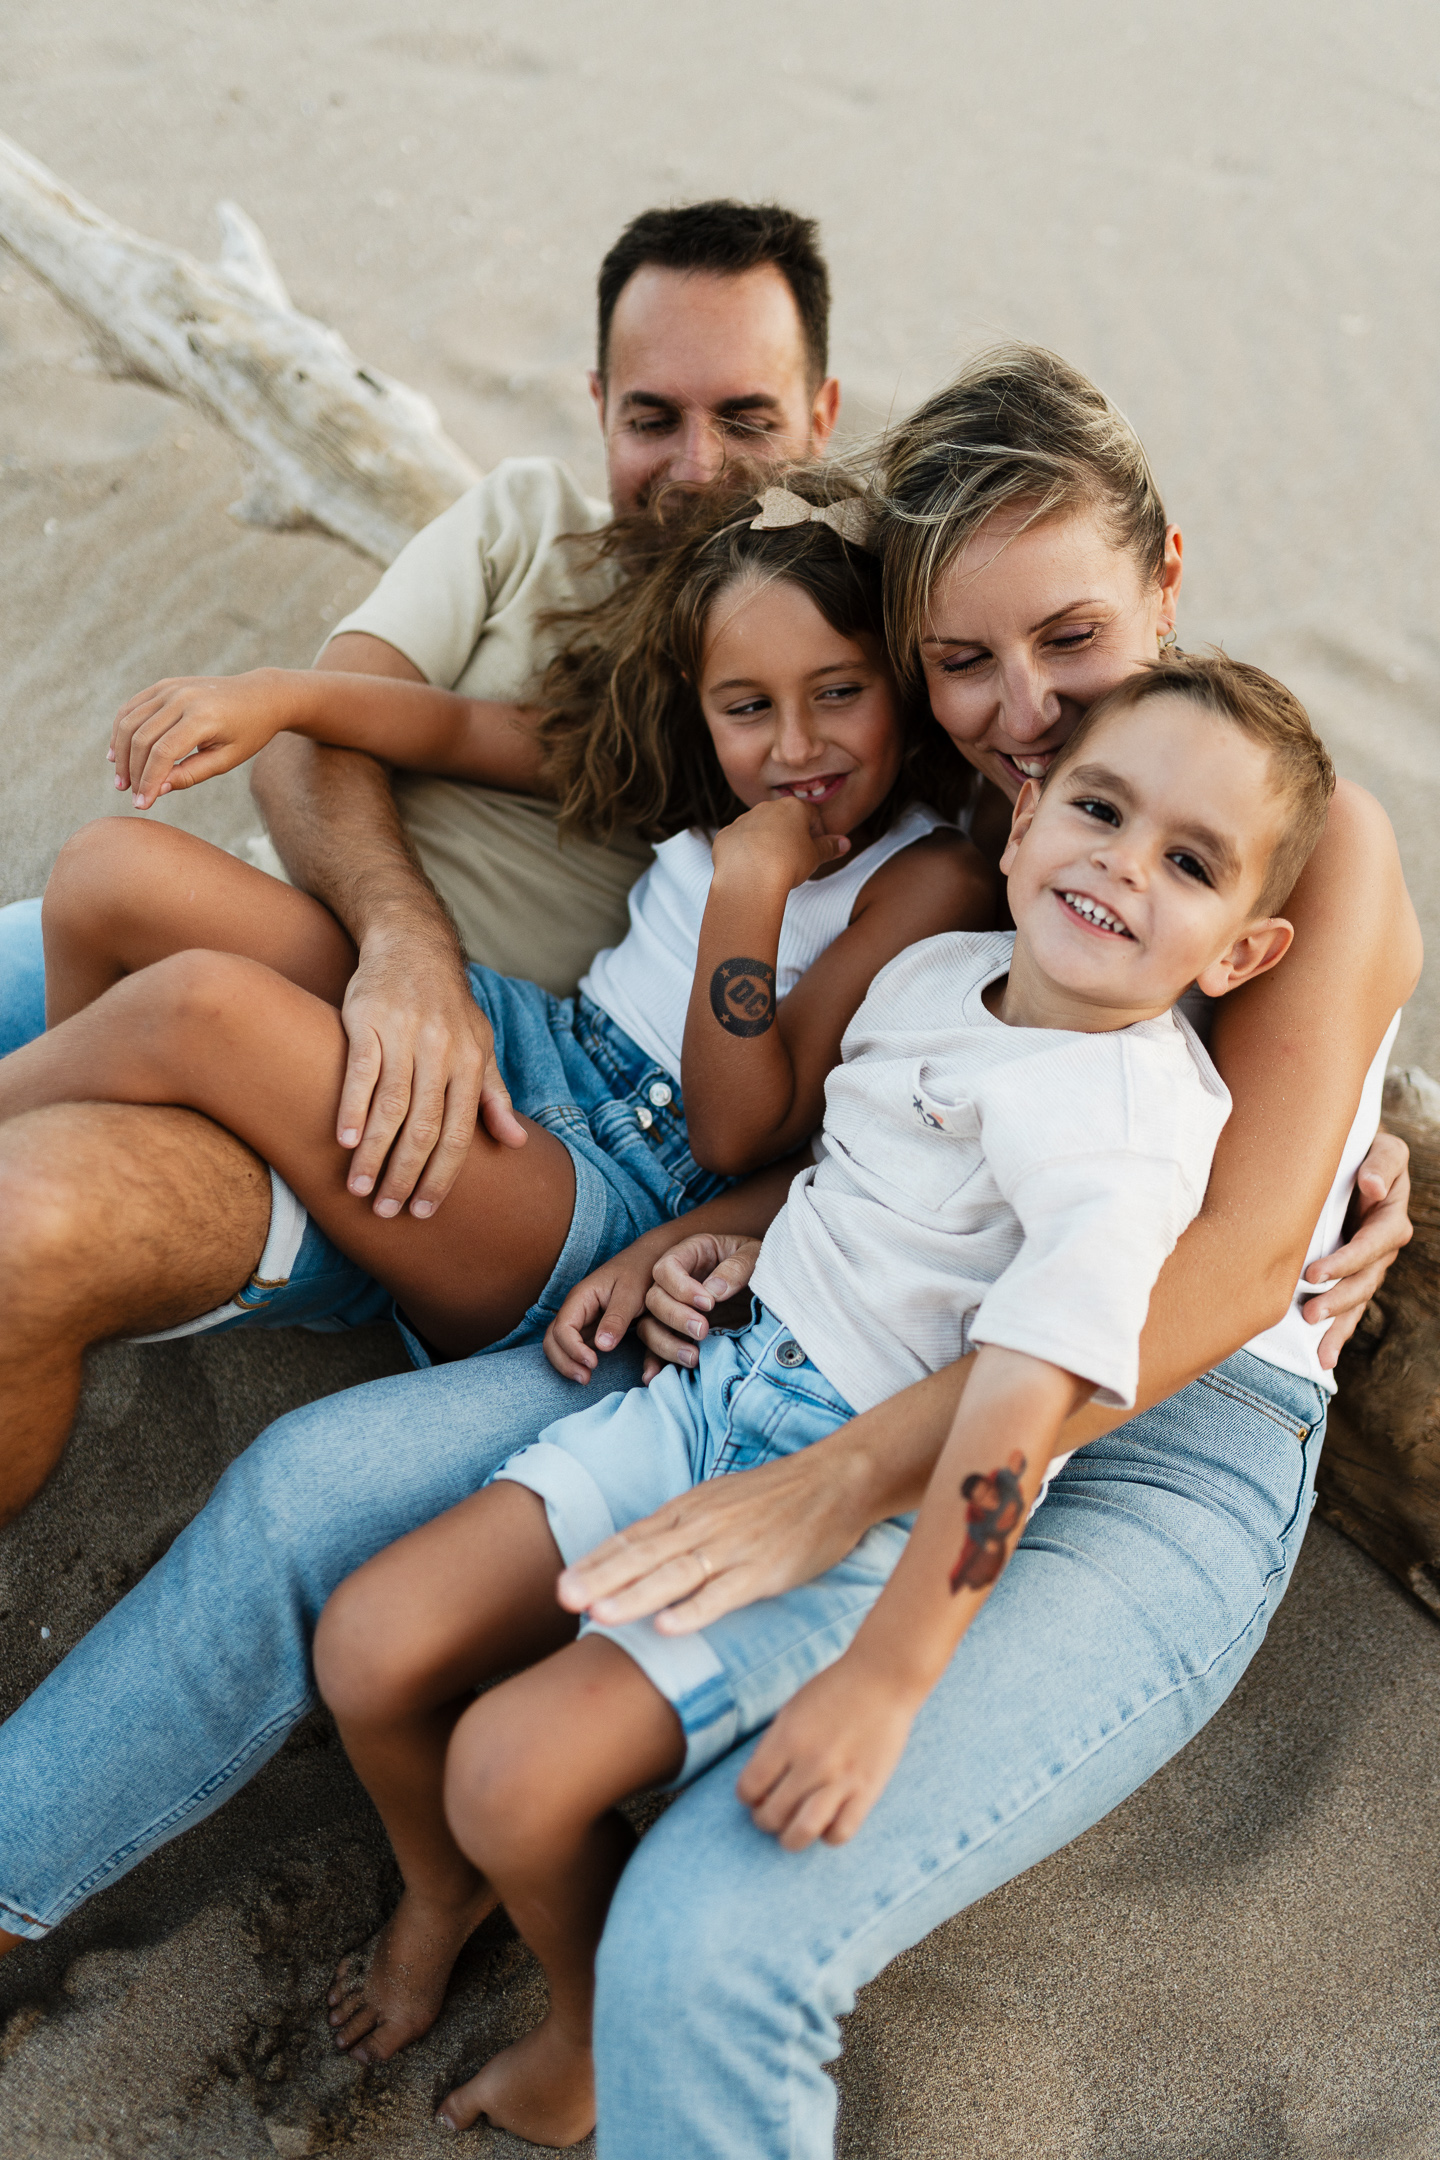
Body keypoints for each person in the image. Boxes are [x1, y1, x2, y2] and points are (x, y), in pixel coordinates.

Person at [0, 347, 1418, 2160]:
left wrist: (841, 1480)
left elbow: (1210, 1279)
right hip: (827, 1325)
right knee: (302, 1495)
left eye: (1071, 639)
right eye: (963, 662)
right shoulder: (975, 823)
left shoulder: (1289, 829)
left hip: (1156, 1429)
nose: (1026, 709)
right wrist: (723, 1230)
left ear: (1169, 578)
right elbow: (895, 1116)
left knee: (723, 1918)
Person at [308, 653, 1333, 2145]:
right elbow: (860, 1184)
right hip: (707, 1391)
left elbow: (1011, 1427)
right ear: (1029, 807)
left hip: (843, 1506)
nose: (1122, 865)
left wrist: (887, 1682)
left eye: (1189, 863)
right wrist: (732, 1241)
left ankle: (587, 2025)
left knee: (510, 1770)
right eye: (1102, 809)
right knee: (370, 1649)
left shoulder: (1125, 1127)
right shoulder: (935, 975)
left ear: (1242, 954)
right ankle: (447, 1890)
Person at [0, 198, 844, 1449]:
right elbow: (335, 740)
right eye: (653, 418)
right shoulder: (530, 538)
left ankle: (101, 1120)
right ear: (600, 400)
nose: (698, 467)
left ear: (823, 414)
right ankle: (98, 1091)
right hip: (344, 953)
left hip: (509, 1119)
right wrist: (406, 944)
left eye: (748, 417)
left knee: (117, 1106)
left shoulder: (805, 672)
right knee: (103, 872)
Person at [0, 471, 987, 1518]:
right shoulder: (700, 777)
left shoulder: (929, 876)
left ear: (901, 680)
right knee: (112, 872)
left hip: (614, 1189)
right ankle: (74, 1126)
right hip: (530, 1039)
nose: (796, 747)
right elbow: (454, 730)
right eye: (748, 706)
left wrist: (752, 884)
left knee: (200, 1007)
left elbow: (738, 1132)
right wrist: (277, 695)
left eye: (840, 691)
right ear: (701, 706)